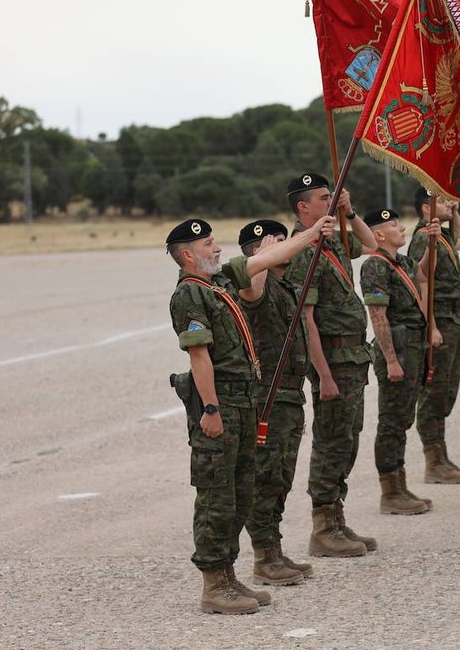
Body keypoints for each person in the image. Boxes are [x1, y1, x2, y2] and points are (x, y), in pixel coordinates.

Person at [166, 214, 333, 614]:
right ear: (188, 254)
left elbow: (263, 260)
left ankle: (229, 576)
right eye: (207, 245)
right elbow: (199, 355)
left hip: (244, 403)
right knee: (217, 498)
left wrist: (311, 233)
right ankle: (213, 584)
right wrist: (210, 408)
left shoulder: (219, 282)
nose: (217, 248)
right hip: (220, 403)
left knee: (241, 494)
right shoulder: (190, 294)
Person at [285, 172, 378, 558]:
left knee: (348, 439)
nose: (331, 201)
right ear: (303, 207)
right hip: (333, 361)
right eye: (325, 198)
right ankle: (323, 526)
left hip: (353, 356)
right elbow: (306, 321)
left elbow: (371, 244)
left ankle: (336, 517)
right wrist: (322, 375)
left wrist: (350, 212)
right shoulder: (303, 250)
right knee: (331, 442)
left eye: (333, 196)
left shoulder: (333, 238)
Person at [237, 220, 313, 588]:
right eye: (275, 243)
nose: (285, 247)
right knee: (266, 477)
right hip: (268, 395)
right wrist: (262, 260)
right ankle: (264, 558)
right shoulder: (256, 285)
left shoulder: (287, 285)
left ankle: (275, 550)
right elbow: (252, 292)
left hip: (290, 393)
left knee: (281, 476)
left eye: (285, 241)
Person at [360, 208, 441, 515]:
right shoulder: (375, 266)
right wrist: (391, 361)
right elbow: (378, 315)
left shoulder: (400, 262)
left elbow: (424, 274)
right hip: (398, 349)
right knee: (392, 422)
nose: (401, 228)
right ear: (378, 234)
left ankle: (400, 484)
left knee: (403, 418)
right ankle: (390, 492)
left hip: (412, 345)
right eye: (393, 225)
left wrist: (432, 244)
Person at [408, 187, 460, 484]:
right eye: (445, 200)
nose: (453, 202)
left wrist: (453, 213)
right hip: (441, 322)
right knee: (434, 394)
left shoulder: (442, 236)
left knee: (447, 391)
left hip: (453, 320)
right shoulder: (424, 237)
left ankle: (442, 456)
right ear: (426, 208)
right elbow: (421, 285)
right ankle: (433, 462)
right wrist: (430, 325)